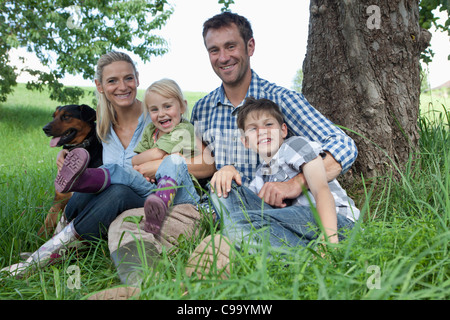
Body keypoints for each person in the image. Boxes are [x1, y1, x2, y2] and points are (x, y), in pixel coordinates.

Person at [190, 11, 358, 210]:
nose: (223, 57)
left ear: (250, 46)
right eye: (214, 50)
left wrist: (296, 184)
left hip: (276, 213)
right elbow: (199, 167)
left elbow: (344, 145)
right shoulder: (202, 110)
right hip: (223, 207)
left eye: (231, 46)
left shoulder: (280, 99)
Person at [54, 79, 200, 235]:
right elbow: (134, 160)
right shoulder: (151, 130)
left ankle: (161, 203)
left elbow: (157, 153)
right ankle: (83, 179)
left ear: (183, 106)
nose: (161, 113)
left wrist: (148, 163)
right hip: (151, 188)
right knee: (118, 170)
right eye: (154, 109)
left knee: (173, 160)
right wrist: (142, 167)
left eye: (167, 106)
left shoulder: (183, 129)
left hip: (179, 193)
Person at [218, 97, 360, 252]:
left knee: (238, 223)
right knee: (229, 199)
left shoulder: (295, 146)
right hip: (300, 230)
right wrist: (227, 169)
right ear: (245, 141)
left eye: (269, 124)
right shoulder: (260, 175)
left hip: (336, 223)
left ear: (283, 130)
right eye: (253, 129)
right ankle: (306, 255)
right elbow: (250, 210)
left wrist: (330, 242)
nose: (262, 131)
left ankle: (323, 251)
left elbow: (321, 190)